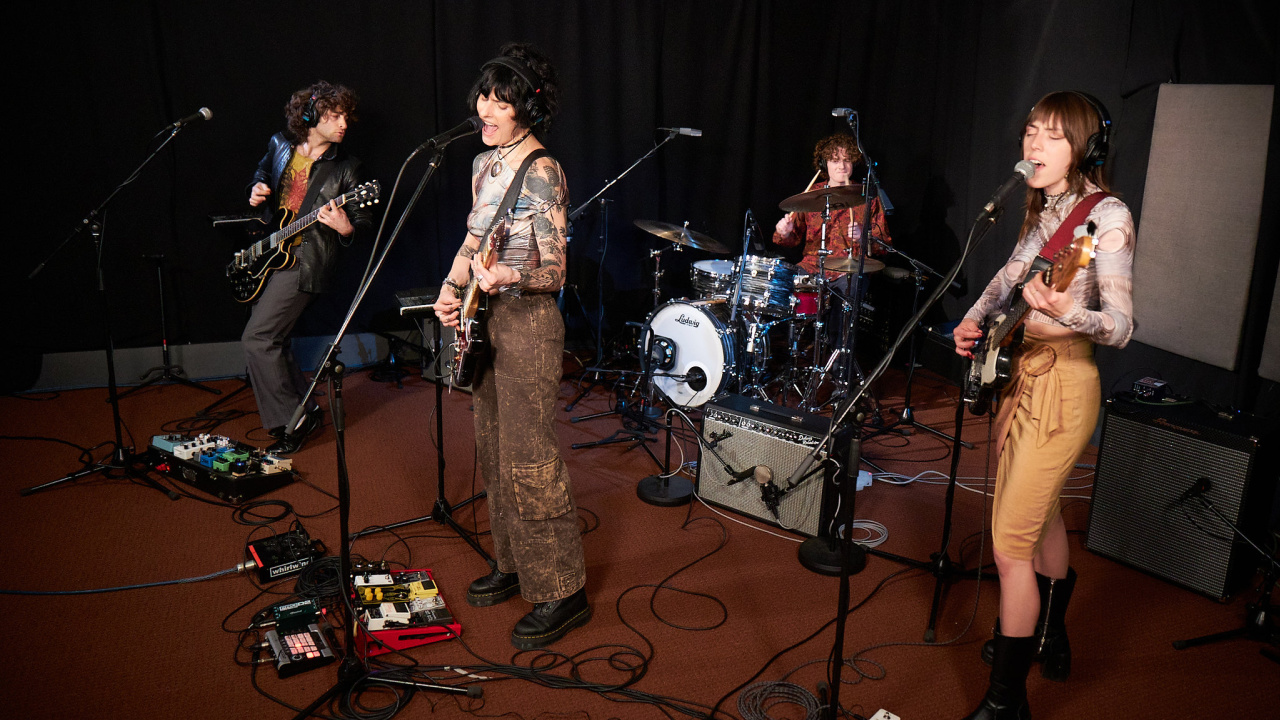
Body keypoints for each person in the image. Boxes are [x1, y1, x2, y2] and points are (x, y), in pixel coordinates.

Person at [952, 91, 1134, 720]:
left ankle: (1006, 704)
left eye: (1053, 135)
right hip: (1021, 377)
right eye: (1031, 131)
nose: (1034, 144)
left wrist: (1066, 311)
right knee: (1045, 513)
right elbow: (1008, 278)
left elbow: (1122, 327)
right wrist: (973, 320)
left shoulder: (1107, 216)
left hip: (1065, 388)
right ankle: (1051, 630)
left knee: (1009, 547)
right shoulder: (1045, 209)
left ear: (1086, 148)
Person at [432, 43, 589, 650]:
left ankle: (564, 589)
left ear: (527, 108)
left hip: (529, 325)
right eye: (484, 97)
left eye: (501, 101)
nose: (485, 109)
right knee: (494, 450)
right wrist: (452, 289)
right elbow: (472, 242)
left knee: (530, 456)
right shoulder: (481, 163)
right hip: (485, 318)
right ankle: (514, 562)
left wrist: (509, 275)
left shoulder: (542, 170)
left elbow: (556, 270)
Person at [244, 81, 371, 455]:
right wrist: (257, 188)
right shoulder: (280, 145)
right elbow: (261, 173)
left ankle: (291, 422)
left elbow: (363, 222)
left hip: (307, 261)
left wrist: (346, 227)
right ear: (310, 115)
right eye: (335, 116)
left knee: (258, 338)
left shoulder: (347, 168)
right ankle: (307, 411)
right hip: (271, 254)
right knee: (275, 339)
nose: (344, 124)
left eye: (346, 116)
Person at [772, 133, 892, 276]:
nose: (842, 166)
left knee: (853, 283)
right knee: (787, 280)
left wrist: (863, 238)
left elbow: (884, 247)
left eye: (847, 160)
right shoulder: (810, 194)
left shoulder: (867, 197)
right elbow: (790, 241)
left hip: (850, 271)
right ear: (825, 164)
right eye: (835, 161)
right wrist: (785, 233)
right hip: (812, 267)